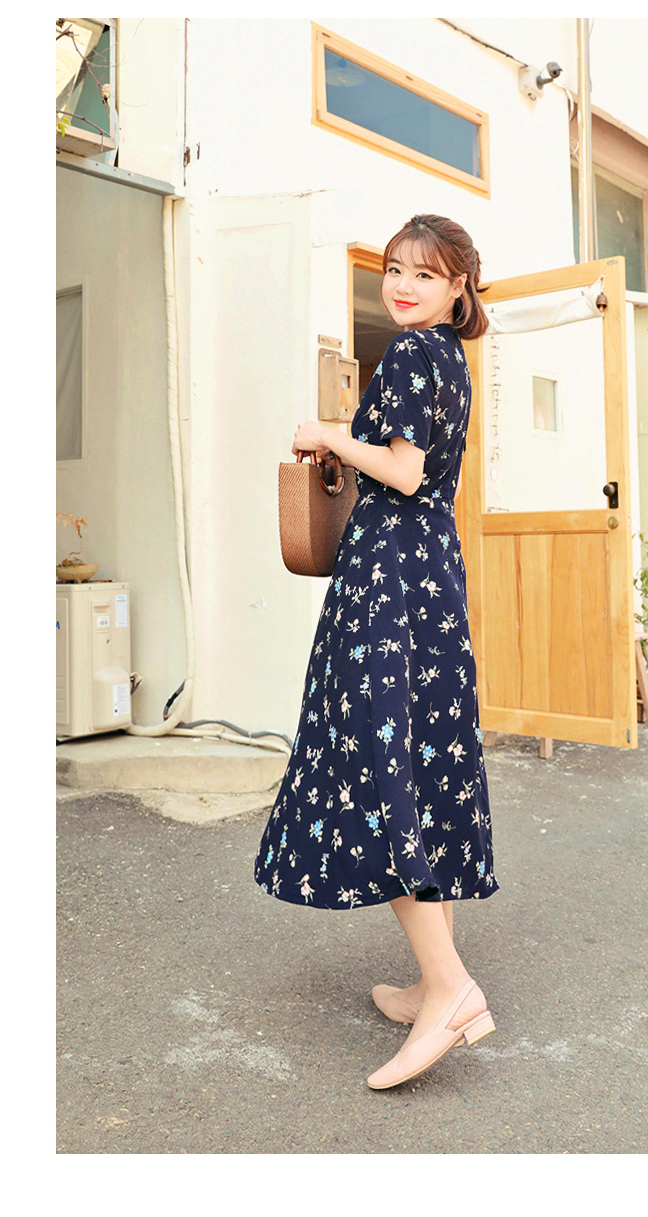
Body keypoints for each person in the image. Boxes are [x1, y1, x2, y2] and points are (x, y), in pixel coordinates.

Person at [254, 213, 499, 1090]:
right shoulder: (450, 358)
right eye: (395, 269)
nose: (402, 285)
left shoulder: (409, 355)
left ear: (458, 286)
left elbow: (401, 471)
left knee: (377, 769)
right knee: (413, 769)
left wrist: (328, 435)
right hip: (428, 578)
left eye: (424, 274)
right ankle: (432, 980)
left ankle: (450, 989)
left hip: (389, 582)